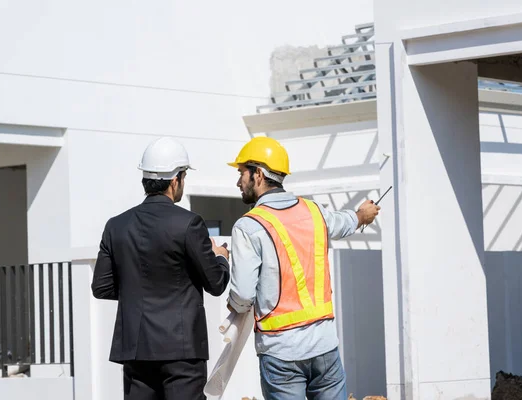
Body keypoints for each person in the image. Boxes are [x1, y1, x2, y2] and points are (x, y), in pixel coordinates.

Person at [226, 137, 380, 400]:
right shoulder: (313, 211)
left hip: (281, 354)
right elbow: (344, 222)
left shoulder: (249, 226)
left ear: (259, 174)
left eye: (242, 173)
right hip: (325, 348)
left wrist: (234, 309)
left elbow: (242, 296)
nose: (238, 181)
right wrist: (361, 215)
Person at [91, 137, 230, 400]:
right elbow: (216, 284)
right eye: (184, 176)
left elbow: (102, 287)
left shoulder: (115, 226)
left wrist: (137, 288)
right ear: (176, 179)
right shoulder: (189, 223)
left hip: (135, 349)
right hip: (182, 350)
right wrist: (220, 257)